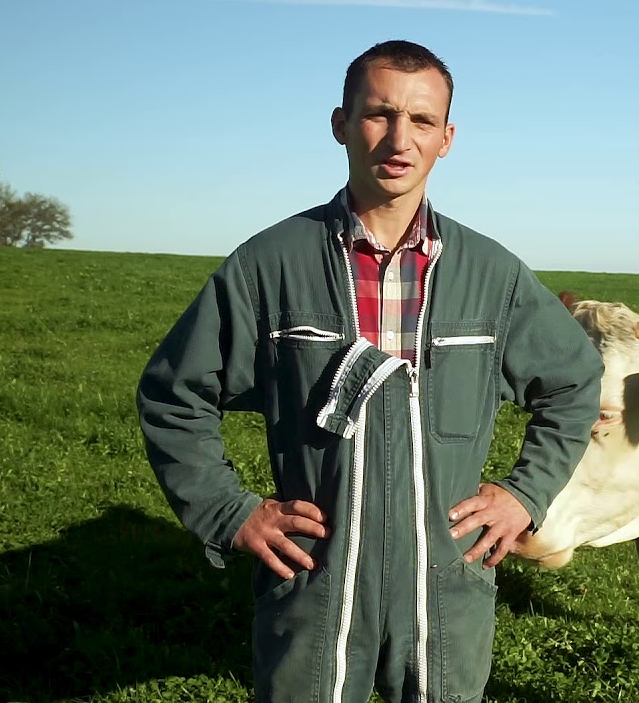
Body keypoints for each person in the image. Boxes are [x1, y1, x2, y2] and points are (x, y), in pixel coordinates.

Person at [136, 39, 603, 703]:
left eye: (422, 120)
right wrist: (229, 511)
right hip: (315, 582)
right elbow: (173, 393)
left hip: (447, 586)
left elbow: (574, 382)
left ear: (446, 139)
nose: (399, 138)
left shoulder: (491, 275)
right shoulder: (269, 265)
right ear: (341, 124)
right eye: (379, 114)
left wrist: (524, 494)